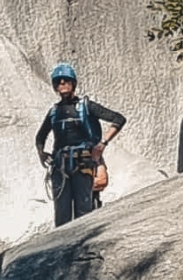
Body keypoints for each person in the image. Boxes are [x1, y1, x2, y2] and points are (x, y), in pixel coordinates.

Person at [37, 64, 126, 228]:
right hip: (60, 166)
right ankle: (62, 251)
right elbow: (40, 137)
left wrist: (102, 145)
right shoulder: (54, 112)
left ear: (73, 83)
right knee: (62, 216)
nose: (62, 83)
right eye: (58, 82)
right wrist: (41, 153)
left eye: (66, 81)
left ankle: (85, 251)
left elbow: (119, 119)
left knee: (84, 212)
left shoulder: (86, 106)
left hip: (83, 165)